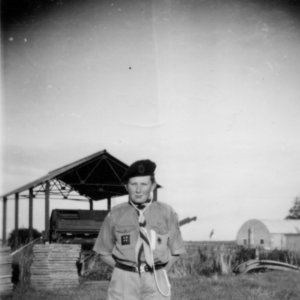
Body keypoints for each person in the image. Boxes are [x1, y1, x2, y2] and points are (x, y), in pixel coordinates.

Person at [93, 159, 186, 300]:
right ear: (126, 186)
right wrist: (123, 271)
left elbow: (176, 251)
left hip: (156, 278)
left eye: (144, 184)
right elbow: (103, 252)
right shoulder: (115, 214)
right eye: (133, 184)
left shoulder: (166, 212)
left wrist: (159, 272)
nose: (138, 190)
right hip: (124, 280)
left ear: (153, 186)